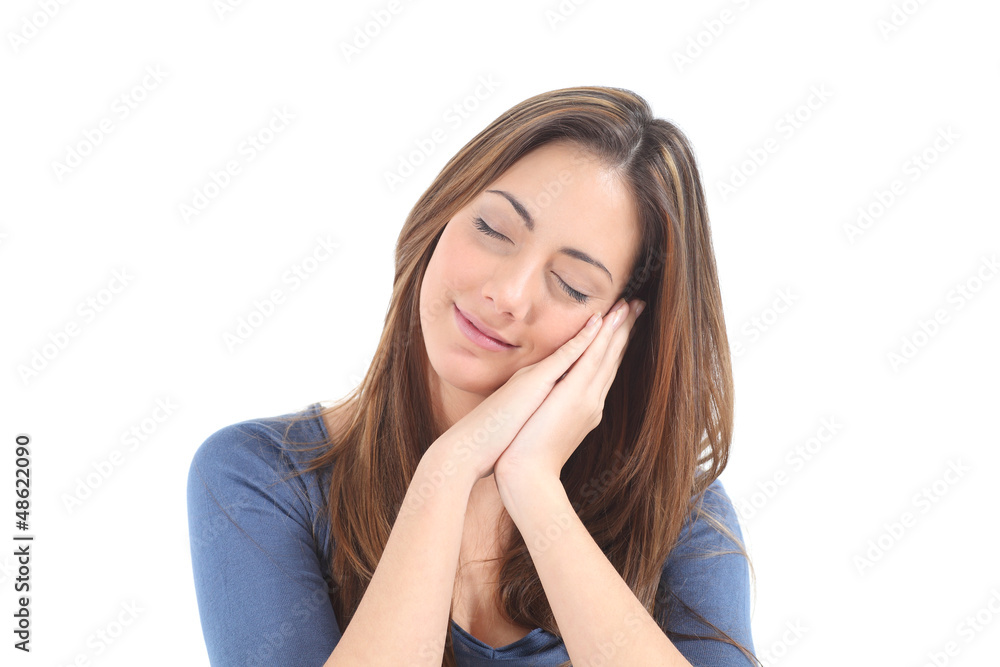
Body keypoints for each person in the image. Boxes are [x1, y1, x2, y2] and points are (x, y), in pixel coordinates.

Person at [187, 85, 758, 666]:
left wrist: (533, 485)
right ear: (442, 213)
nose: (507, 294)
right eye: (492, 230)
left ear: (623, 330)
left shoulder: (676, 515)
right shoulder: (263, 476)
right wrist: (448, 472)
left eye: (571, 285)